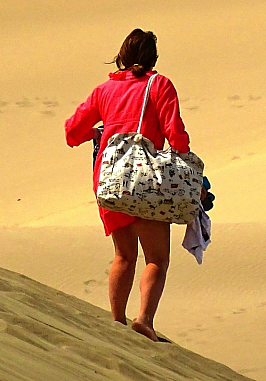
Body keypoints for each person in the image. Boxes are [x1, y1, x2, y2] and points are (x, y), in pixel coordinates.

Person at [64, 28, 191, 341]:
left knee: (123, 255)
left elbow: (72, 132)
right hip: (145, 181)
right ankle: (144, 320)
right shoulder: (158, 84)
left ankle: (117, 323)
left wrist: (99, 133)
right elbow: (174, 133)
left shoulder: (104, 90)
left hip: (109, 182)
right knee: (157, 259)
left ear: (121, 57)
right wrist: (186, 166)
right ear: (153, 58)